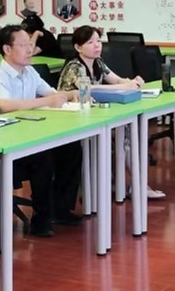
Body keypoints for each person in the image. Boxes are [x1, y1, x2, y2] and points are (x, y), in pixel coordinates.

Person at [0, 25, 81, 236]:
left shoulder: (29, 71)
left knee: (71, 149)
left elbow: (51, 93)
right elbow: (6, 105)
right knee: (43, 158)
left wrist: (68, 95)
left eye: (30, 44)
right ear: (7, 49)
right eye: (23, 45)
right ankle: (40, 218)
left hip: (27, 135)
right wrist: (47, 101)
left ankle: (60, 209)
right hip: (1, 144)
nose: (30, 50)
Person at [57, 25, 165, 200]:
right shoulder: (74, 67)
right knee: (123, 135)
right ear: (78, 47)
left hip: (92, 115)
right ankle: (134, 185)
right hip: (71, 120)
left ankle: (132, 184)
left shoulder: (98, 62)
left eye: (98, 41)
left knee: (127, 131)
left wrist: (132, 81)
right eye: (90, 42)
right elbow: (89, 88)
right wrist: (125, 86)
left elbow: (116, 79)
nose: (97, 45)